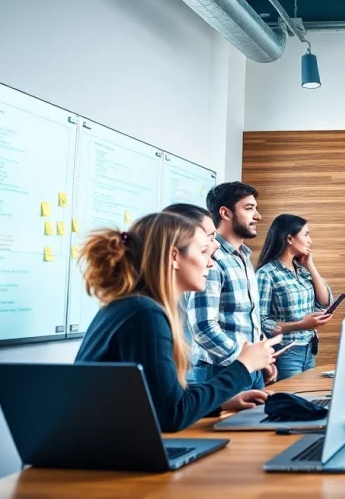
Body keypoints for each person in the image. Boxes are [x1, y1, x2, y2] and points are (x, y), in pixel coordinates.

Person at [74, 212, 280, 433]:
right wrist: (243, 365)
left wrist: (219, 403)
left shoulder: (134, 306)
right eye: (203, 252)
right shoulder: (144, 314)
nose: (210, 263)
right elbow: (171, 415)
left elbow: (159, 396)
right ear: (174, 257)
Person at [187, 182, 273, 389]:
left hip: (247, 367)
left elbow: (247, 317)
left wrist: (262, 358)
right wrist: (244, 359)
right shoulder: (212, 259)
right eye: (249, 208)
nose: (258, 216)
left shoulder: (243, 257)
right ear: (225, 213)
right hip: (221, 369)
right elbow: (203, 326)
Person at [255, 214, 334, 380]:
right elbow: (260, 321)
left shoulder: (303, 270)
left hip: (308, 349)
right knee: (291, 402)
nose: (309, 240)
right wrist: (300, 325)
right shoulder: (266, 274)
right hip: (285, 352)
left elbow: (324, 301)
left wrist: (310, 265)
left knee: (305, 401)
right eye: (306, 234)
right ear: (289, 238)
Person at [162, 203, 220, 384]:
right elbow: (171, 406)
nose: (216, 245)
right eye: (208, 240)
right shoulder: (148, 312)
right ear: (175, 256)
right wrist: (244, 364)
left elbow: (172, 398)